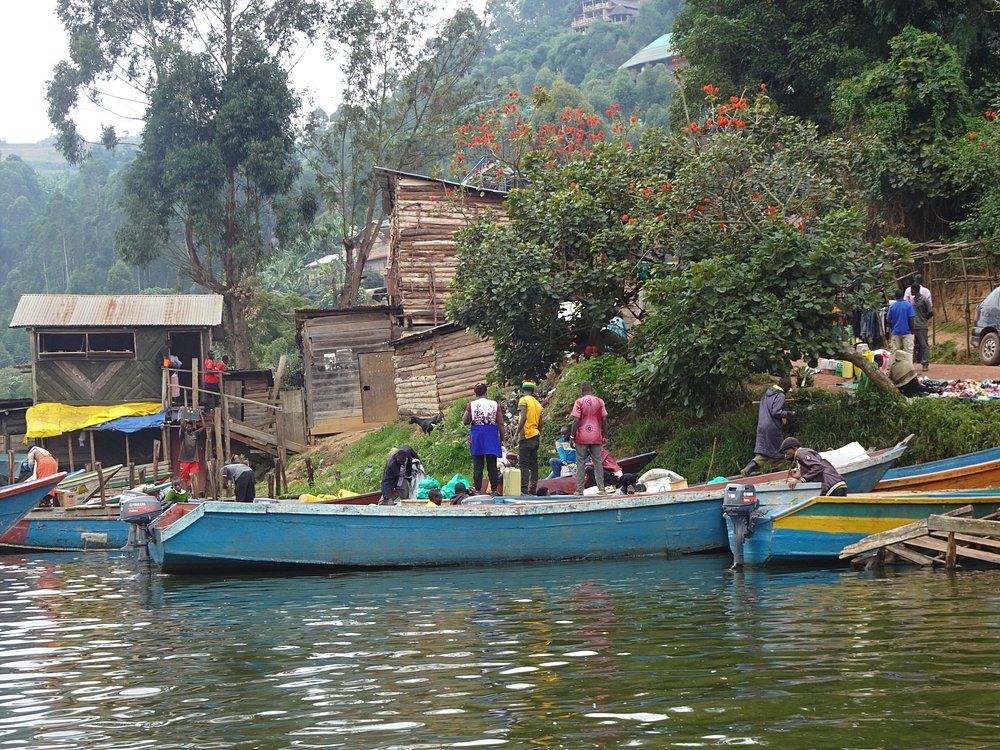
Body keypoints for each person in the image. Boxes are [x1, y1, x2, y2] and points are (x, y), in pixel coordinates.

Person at [741, 376, 794, 476]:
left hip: (762, 426)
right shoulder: (780, 395)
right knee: (779, 452)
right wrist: (788, 413)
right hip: (772, 427)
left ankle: (748, 469)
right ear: (785, 387)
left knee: (764, 452)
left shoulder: (767, 393)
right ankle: (778, 475)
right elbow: (776, 411)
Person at [462, 383, 505, 494]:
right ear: (486, 392)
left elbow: (465, 421)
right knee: (492, 464)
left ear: (475, 393)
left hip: (478, 436)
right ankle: (494, 490)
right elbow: (500, 423)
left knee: (478, 465)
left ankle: (477, 490)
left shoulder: (472, 404)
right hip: (491, 435)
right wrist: (502, 439)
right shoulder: (495, 405)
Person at [569, 381, 609, 495]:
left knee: (580, 462)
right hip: (596, 436)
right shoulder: (599, 401)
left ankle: (579, 490)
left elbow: (576, 420)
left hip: (582, 436)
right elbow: (604, 419)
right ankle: (601, 489)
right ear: (592, 389)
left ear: (582, 390)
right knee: (598, 462)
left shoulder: (579, 402)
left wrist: (572, 436)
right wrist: (606, 435)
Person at [781, 437, 847, 496]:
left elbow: (818, 466)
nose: (785, 456)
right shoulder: (801, 454)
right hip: (836, 486)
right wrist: (800, 476)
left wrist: (802, 479)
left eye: (786, 452)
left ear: (793, 448)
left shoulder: (801, 453)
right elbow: (815, 468)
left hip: (832, 487)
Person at [515, 380, 543, 494]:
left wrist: (516, 433)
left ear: (523, 389)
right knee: (534, 464)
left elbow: (523, 417)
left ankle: (524, 489)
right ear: (532, 390)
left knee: (524, 464)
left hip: (526, 435)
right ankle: (533, 488)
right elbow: (540, 423)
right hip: (535, 435)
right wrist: (538, 433)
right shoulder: (538, 404)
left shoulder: (523, 400)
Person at [910, 282, 933, 372]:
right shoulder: (914, 300)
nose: (910, 291)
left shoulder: (924, 300)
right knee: (915, 346)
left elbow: (930, 312)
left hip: (922, 325)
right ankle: (916, 361)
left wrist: (924, 319)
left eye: (911, 289)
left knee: (924, 345)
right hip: (914, 326)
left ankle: (925, 363)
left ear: (915, 290)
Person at [178, 420, 204, 495]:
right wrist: (183, 418)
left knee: (193, 478)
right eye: (188, 426)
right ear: (186, 427)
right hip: (184, 460)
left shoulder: (195, 434)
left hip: (194, 461)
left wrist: (201, 415)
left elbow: (203, 427)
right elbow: (182, 428)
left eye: (191, 426)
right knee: (184, 479)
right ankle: (184, 494)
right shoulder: (183, 435)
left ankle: (192, 493)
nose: (190, 428)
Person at [886, 288, 915, 355]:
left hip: (896, 332)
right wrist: (912, 330)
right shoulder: (908, 305)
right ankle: (908, 365)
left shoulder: (892, 306)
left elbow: (888, 319)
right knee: (908, 351)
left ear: (895, 297)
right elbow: (911, 319)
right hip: (907, 332)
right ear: (903, 295)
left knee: (895, 352)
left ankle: (894, 365)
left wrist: (892, 328)